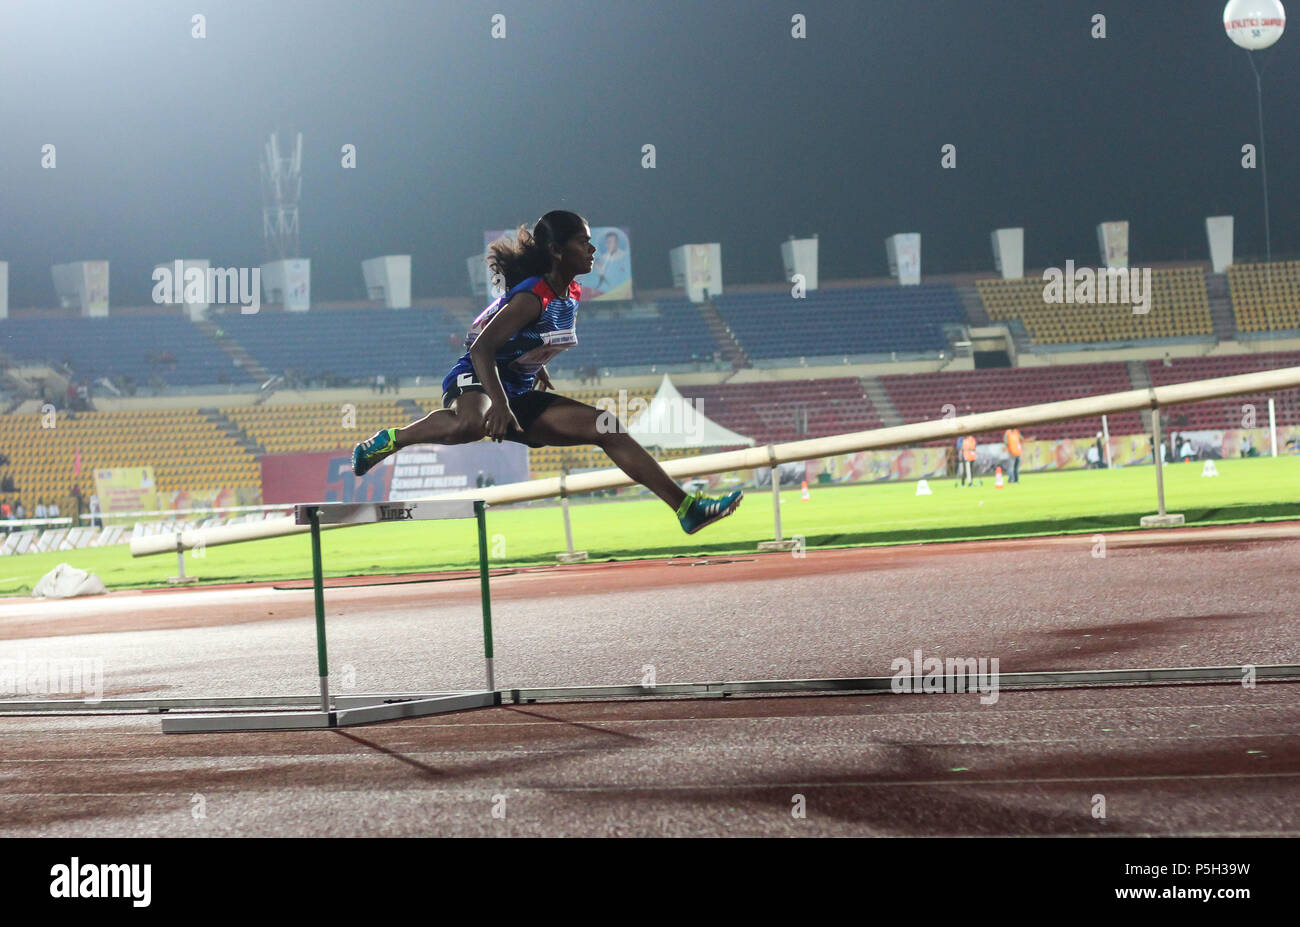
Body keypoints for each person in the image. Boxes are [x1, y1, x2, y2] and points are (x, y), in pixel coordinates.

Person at [351, 210, 741, 534]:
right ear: (556, 251)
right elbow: (482, 347)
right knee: (473, 423)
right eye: (583, 242)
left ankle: (686, 508)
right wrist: (501, 402)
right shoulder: (531, 296)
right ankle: (391, 440)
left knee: (608, 426)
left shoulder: (569, 293)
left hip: (518, 386)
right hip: (478, 374)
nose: (591, 249)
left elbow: (539, 339)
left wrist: (536, 366)